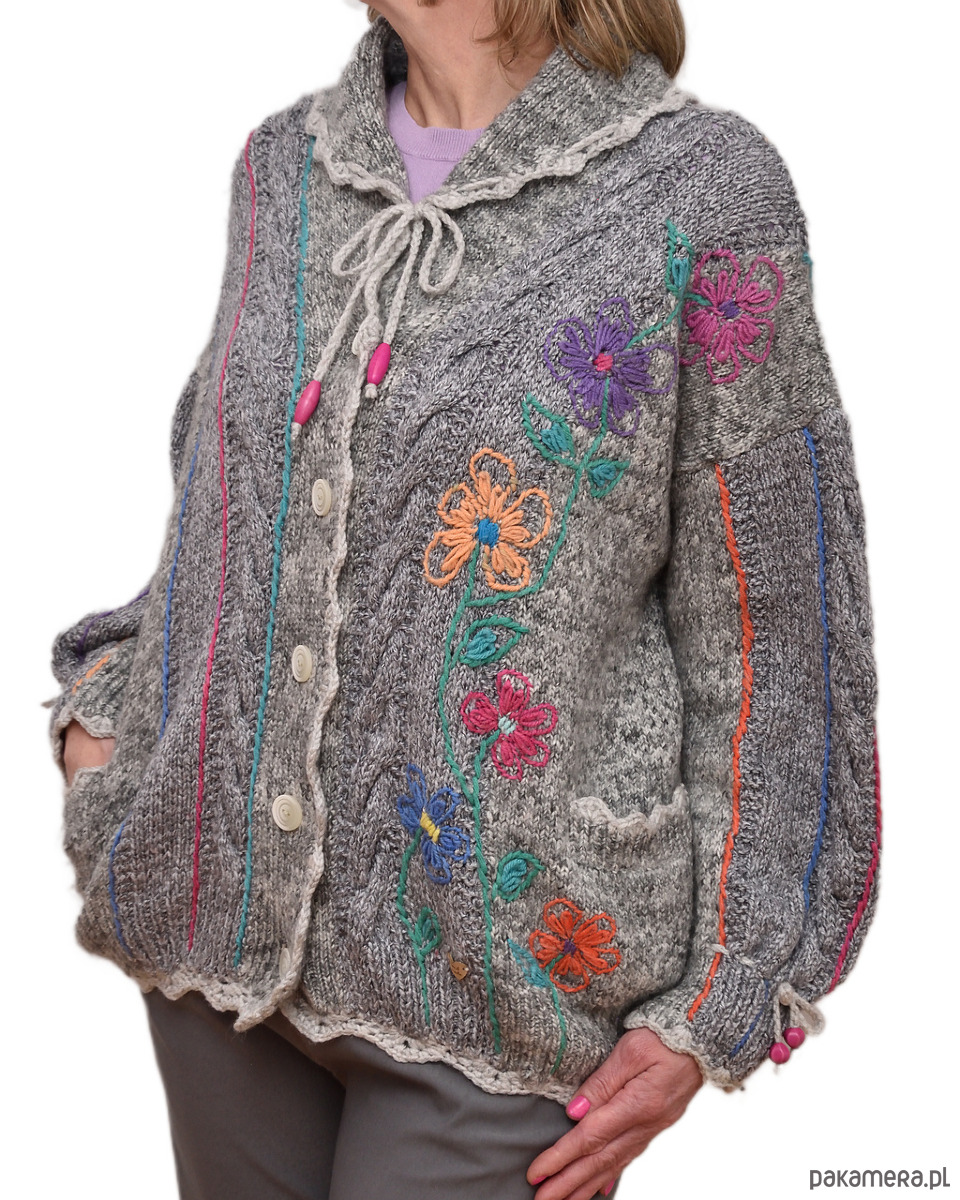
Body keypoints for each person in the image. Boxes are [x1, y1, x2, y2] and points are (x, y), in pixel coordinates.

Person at [49, 1, 882, 1198]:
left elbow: (777, 635)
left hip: (508, 996)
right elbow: (226, 513)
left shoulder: (703, 192)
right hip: (214, 952)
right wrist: (104, 728)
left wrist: (729, 991)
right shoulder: (284, 169)